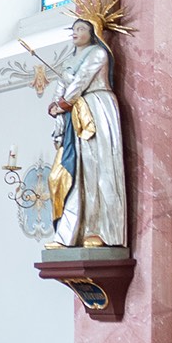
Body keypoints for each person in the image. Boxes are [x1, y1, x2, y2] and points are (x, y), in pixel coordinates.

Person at [46, 15, 126, 249]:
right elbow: (64, 85)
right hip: (77, 114)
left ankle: (101, 230)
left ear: (94, 33)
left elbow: (80, 82)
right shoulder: (70, 60)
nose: (75, 32)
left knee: (99, 170)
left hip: (97, 110)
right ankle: (71, 233)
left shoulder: (97, 54)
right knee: (77, 172)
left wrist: (62, 103)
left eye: (80, 28)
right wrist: (55, 105)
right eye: (73, 28)